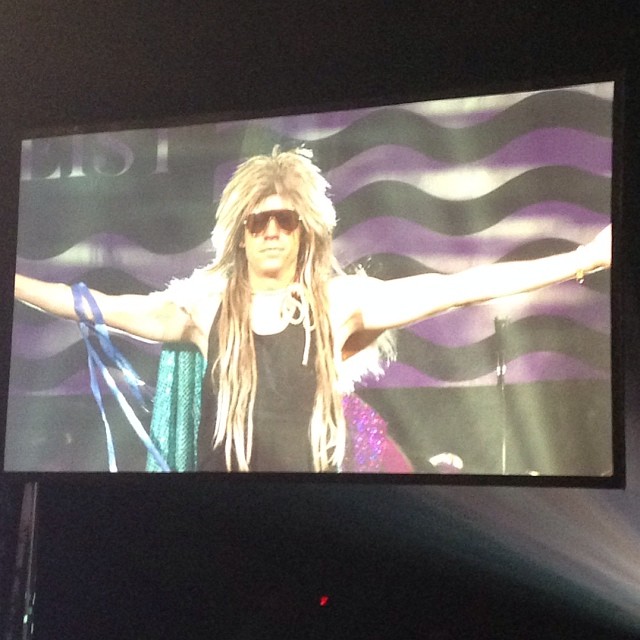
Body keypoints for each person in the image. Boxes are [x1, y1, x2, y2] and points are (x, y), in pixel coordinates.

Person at [14, 148, 612, 473]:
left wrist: (584, 257)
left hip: (308, 503)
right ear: (241, 234)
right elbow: (93, 306)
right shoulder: (204, 306)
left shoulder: (338, 303)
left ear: (305, 230)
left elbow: (464, 286)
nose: (272, 231)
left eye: (285, 219)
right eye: (258, 222)